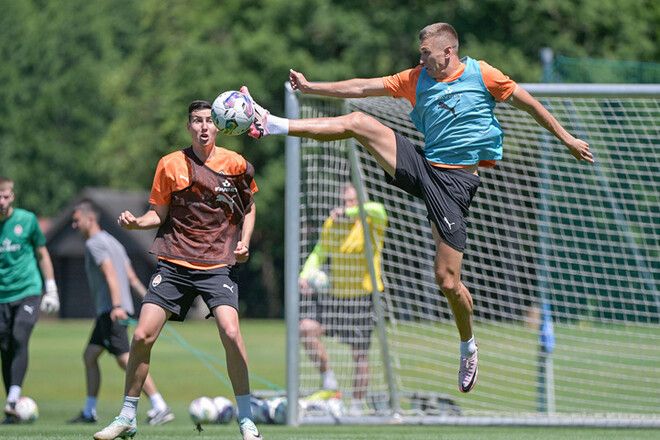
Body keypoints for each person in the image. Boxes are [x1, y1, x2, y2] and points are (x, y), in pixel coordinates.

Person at [241, 22, 594, 395]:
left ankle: (467, 345)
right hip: (423, 166)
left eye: (425, 52)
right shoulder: (416, 77)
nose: (419, 57)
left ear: (448, 51)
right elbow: (362, 87)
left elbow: (530, 104)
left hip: (455, 187)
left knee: (447, 280)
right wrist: (313, 87)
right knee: (358, 122)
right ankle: (273, 124)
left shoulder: (483, 74)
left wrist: (567, 138)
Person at [93, 100, 262, 440]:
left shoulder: (237, 164)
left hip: (218, 265)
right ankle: (128, 416)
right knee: (141, 335)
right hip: (174, 262)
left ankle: (246, 420)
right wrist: (137, 223)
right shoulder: (170, 164)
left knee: (231, 333)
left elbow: (249, 207)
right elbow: (158, 214)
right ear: (188, 127)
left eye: (208, 121)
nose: (203, 127)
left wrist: (244, 242)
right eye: (196, 121)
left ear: (219, 126)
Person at [68, 200, 174, 426]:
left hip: (112, 311)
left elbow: (111, 275)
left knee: (127, 360)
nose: (74, 225)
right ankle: (89, 412)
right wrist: (154, 301)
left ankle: (160, 406)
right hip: (114, 310)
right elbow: (132, 278)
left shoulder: (95, 244)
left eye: (76, 221)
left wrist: (116, 306)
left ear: (90, 219)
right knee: (90, 356)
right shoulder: (114, 242)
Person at [298, 184, 387, 414]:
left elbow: (378, 209)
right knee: (306, 329)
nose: (347, 205)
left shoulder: (372, 221)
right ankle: (329, 382)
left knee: (360, 355)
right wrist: (305, 274)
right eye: (345, 201)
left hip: (363, 298)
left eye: (352, 201)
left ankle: (356, 407)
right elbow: (320, 251)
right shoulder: (333, 224)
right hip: (335, 296)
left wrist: (350, 212)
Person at [0, 176, 60, 424]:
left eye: (5, 196)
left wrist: (51, 287)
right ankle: (13, 407)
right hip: (3, 295)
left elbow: (42, 253)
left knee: (19, 335)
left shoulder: (27, 220)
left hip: (28, 290)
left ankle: (12, 399)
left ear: (12, 196)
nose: (1, 201)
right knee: (5, 348)